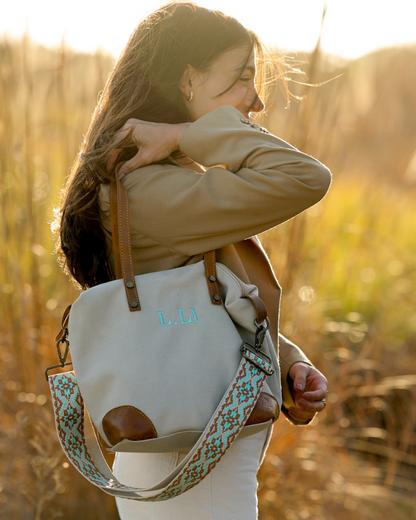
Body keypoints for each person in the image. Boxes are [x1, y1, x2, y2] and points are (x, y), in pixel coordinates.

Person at [55, 2, 331, 518]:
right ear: (187, 81)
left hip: (189, 457)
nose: (258, 99)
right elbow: (307, 177)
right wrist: (184, 134)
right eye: (242, 78)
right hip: (191, 470)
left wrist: (288, 360)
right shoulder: (148, 185)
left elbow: (196, 305)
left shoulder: (165, 179)